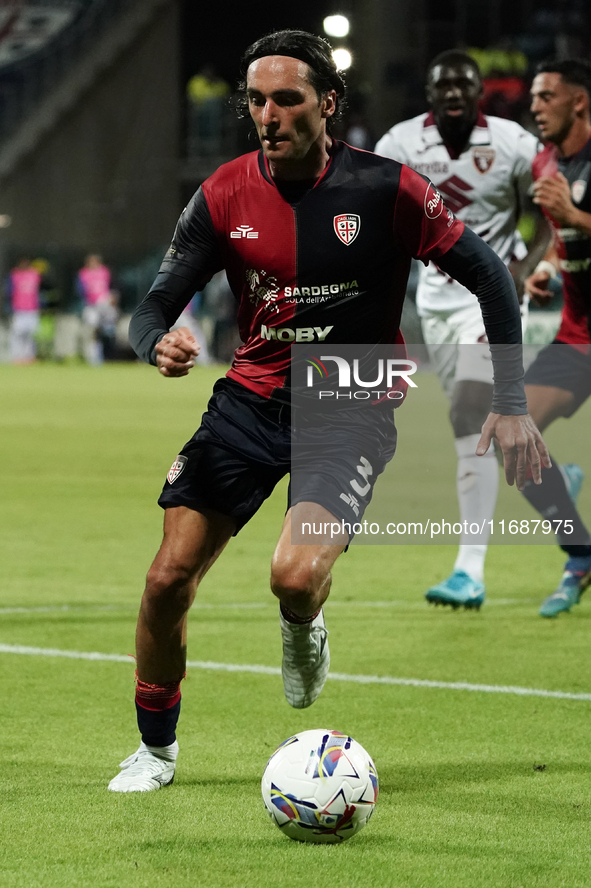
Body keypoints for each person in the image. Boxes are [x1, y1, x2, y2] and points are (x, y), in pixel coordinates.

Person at [108, 29, 549, 793]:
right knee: (165, 580)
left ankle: (302, 624)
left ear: (327, 104)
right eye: (255, 100)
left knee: (292, 575)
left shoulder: (388, 190)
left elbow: (489, 277)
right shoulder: (222, 194)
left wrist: (508, 401)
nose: (267, 115)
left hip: (348, 397)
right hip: (248, 402)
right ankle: (155, 749)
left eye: (287, 99)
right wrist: (157, 342)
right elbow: (152, 305)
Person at [375, 50, 546, 610]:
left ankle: (469, 569)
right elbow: (379, 217)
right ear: (429, 92)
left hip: (492, 302)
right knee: (480, 426)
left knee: (469, 412)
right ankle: (548, 479)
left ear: (480, 92)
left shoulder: (514, 143)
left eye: (463, 85)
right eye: (443, 85)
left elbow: (545, 211)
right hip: (437, 302)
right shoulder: (400, 145)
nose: (453, 93)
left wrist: (521, 269)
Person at [521, 58, 591, 617]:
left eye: (547, 96)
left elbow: (573, 218)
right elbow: (556, 237)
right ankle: (580, 553)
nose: (536, 106)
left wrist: (578, 215)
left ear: (579, 102)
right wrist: (546, 268)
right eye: (534, 97)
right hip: (577, 335)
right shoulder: (546, 160)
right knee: (512, 436)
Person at [76, 254, 117, 365]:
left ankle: (109, 355)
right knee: (92, 331)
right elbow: (80, 290)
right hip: (91, 306)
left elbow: (113, 288)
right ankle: (94, 357)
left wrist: (113, 298)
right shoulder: (83, 273)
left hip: (105, 304)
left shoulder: (105, 272)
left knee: (108, 331)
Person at [6, 257, 42, 364]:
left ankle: (29, 356)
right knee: (18, 334)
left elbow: (40, 289)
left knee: (30, 334)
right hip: (19, 308)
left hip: (32, 308)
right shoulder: (14, 275)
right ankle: (17, 356)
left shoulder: (34, 275)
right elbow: (9, 291)